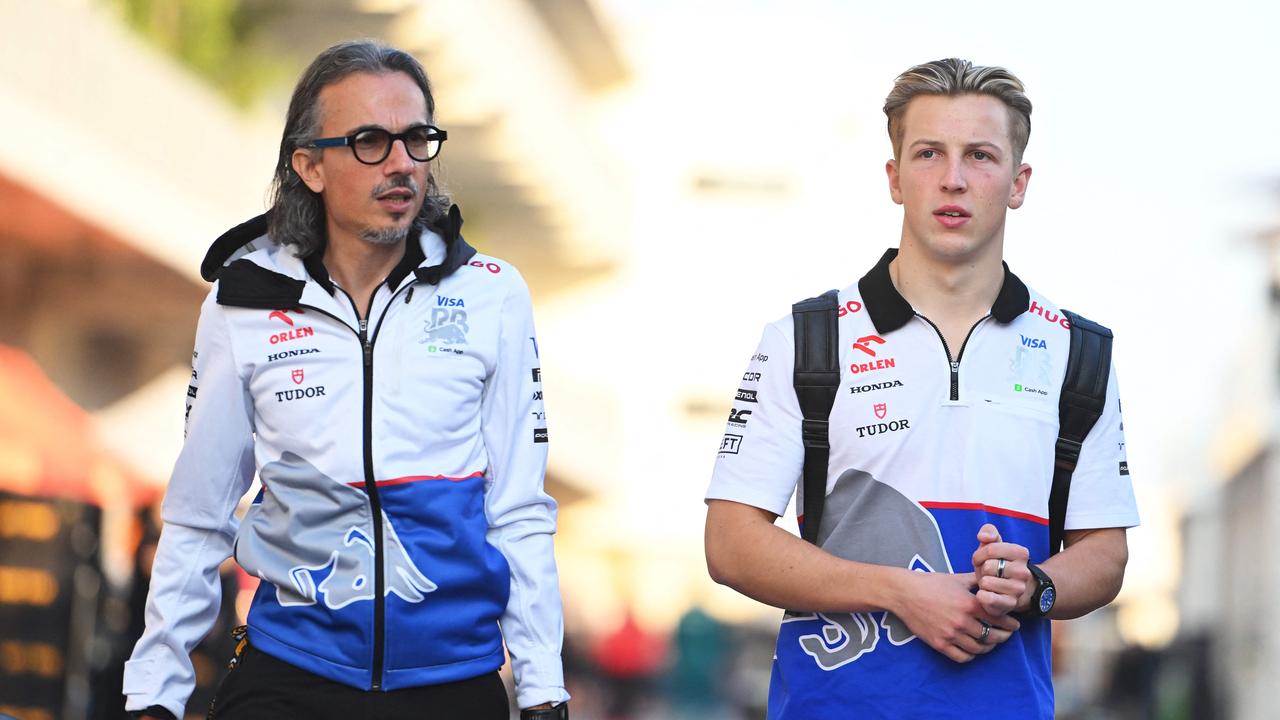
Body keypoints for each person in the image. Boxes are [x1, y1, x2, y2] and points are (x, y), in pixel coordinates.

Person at [123, 40, 569, 720]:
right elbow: (198, 513)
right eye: (369, 141)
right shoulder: (242, 304)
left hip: (452, 681)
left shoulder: (494, 295)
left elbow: (518, 508)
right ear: (310, 166)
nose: (401, 164)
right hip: (289, 673)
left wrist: (541, 685)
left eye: (417, 139)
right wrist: (154, 690)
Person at [703, 58, 1138, 718]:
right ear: (894, 177)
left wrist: (1035, 585)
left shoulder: (1080, 352)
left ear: (1018, 183)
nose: (954, 178)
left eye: (981, 156)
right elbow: (730, 541)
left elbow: (1105, 553)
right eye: (929, 152)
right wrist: (899, 591)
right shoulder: (805, 337)